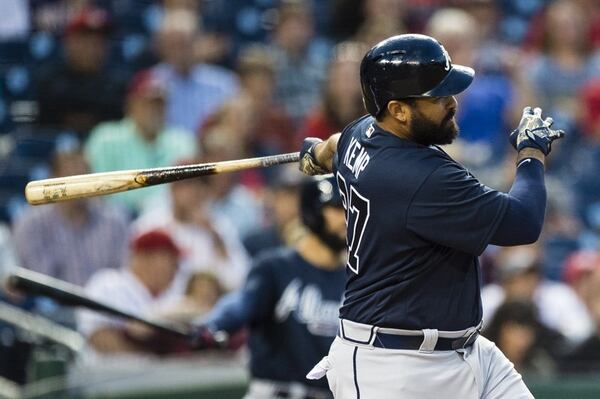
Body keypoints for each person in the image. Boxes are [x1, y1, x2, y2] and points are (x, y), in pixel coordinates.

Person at [299, 34, 565, 398]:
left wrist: (318, 154)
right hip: (394, 367)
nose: (452, 102)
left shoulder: (361, 132)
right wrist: (531, 154)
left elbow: (334, 144)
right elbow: (523, 221)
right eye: (437, 97)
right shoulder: (421, 177)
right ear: (398, 110)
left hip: (466, 351)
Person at [195, 176, 347, 399]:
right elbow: (241, 304)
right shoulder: (275, 267)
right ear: (312, 212)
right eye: (336, 208)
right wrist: (214, 324)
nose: (347, 218)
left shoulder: (356, 280)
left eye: (350, 209)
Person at [13, 138, 128, 287]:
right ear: (53, 180)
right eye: (71, 178)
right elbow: (36, 284)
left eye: (84, 177)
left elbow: (122, 278)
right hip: (49, 307)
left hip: (103, 305)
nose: (79, 189)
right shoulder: (31, 223)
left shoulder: (114, 220)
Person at [85, 69, 196, 214]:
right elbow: (95, 189)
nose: (153, 110)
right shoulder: (106, 137)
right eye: (146, 103)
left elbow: (188, 190)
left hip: (165, 221)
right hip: (114, 217)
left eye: (159, 104)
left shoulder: (182, 141)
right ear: (131, 104)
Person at [77, 229, 181, 355]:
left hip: (162, 372)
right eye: (172, 260)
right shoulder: (108, 283)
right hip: (108, 372)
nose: (176, 268)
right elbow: (100, 338)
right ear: (145, 257)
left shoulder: (170, 296)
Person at [35, 7, 126, 136]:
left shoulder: (118, 85)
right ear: (68, 42)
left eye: (99, 41)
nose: (93, 47)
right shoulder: (49, 82)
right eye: (85, 39)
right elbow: (40, 132)